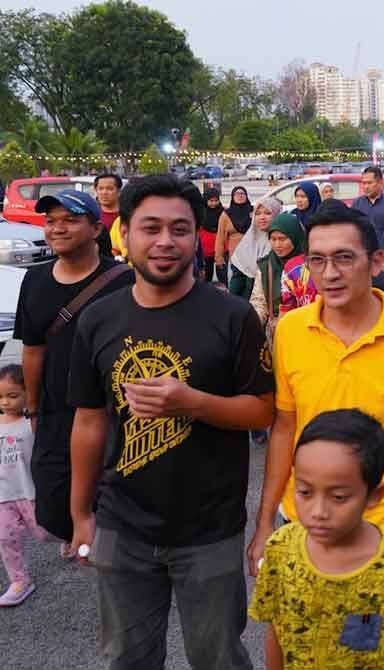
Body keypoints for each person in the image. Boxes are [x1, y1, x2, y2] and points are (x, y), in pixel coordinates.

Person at [67, 174, 275, 669]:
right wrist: (80, 515)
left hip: (210, 528)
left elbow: (263, 410)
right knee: (126, 657)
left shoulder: (232, 316)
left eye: (180, 229)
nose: (165, 242)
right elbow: (89, 421)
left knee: (218, 658)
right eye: (151, 228)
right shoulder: (98, 320)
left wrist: (193, 403)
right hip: (123, 526)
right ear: (125, 234)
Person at [246, 198, 384, 575]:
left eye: (344, 258)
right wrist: (265, 521)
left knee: (377, 634)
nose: (329, 273)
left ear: (377, 261)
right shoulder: (292, 332)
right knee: (295, 631)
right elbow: (284, 429)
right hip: (302, 520)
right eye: (317, 260)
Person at [249, 410, 384, 670]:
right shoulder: (281, 549)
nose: (318, 512)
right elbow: (275, 628)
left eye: (338, 497)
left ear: (374, 495)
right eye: (304, 491)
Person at [13, 190, 133, 545]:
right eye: (51, 221)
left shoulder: (125, 281)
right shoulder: (34, 280)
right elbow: (32, 349)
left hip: (112, 411)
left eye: (70, 220)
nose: (57, 229)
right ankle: (77, 535)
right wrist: (33, 408)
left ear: (97, 228)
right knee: (54, 499)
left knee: (115, 494)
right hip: (57, 409)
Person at [0, 365, 47, 607]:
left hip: (30, 490)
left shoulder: (33, 423)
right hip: (4, 495)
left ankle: (71, 541)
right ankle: (19, 580)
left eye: (12, 395)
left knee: (45, 532)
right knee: (6, 538)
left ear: (28, 393)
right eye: (0, 397)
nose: (5, 402)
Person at [250, 212, 305, 347]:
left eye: (282, 239)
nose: (277, 244)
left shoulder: (307, 266)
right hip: (276, 336)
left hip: (304, 332)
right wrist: (251, 322)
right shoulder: (265, 266)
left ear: (295, 237)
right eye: (273, 239)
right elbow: (259, 301)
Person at [229, 197, 283, 299]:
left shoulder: (283, 243)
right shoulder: (247, 242)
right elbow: (236, 284)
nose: (262, 217)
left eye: (267, 213)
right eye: (257, 214)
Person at [213, 186, 253, 288]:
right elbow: (220, 237)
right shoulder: (226, 215)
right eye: (237, 194)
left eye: (242, 193)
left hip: (253, 254)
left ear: (246, 196)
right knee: (236, 284)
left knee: (251, 284)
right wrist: (219, 257)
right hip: (236, 256)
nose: (240, 196)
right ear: (232, 197)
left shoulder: (253, 212)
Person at [199, 187, 225, 282]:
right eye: (211, 201)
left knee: (222, 273)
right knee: (207, 274)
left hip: (220, 247)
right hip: (206, 247)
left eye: (216, 200)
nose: (214, 203)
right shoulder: (201, 212)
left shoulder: (223, 212)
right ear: (206, 200)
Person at [93, 173, 121, 257]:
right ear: (96, 190)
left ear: (119, 191)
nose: (104, 192)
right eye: (100, 189)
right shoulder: (91, 215)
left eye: (109, 189)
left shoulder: (128, 214)